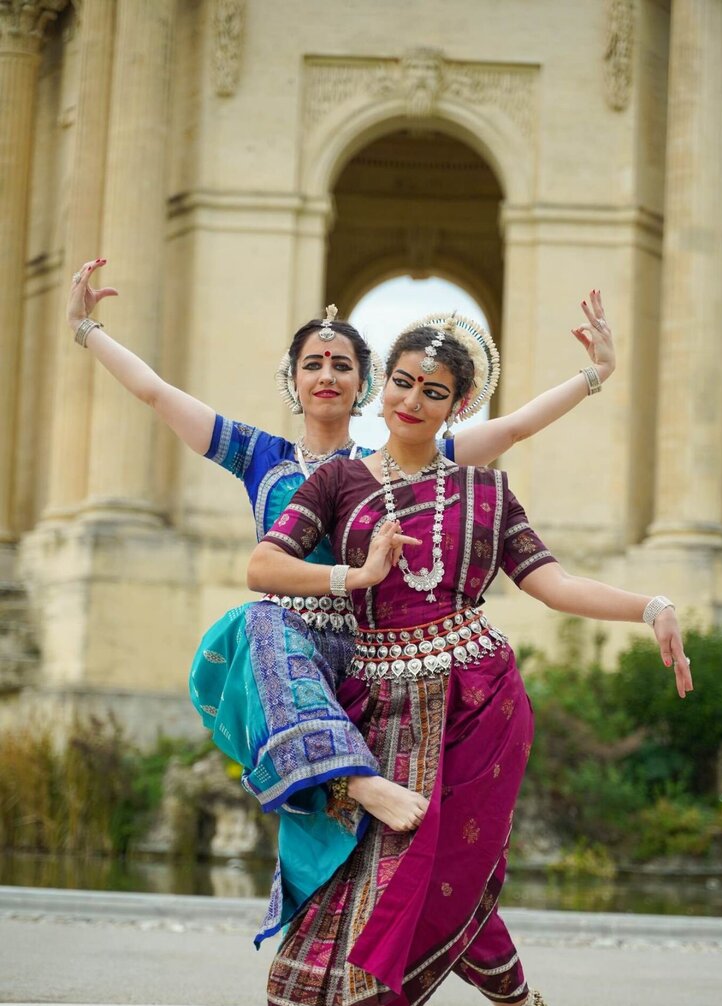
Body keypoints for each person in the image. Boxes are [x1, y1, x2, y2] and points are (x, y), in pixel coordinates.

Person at [246, 311, 692, 1006]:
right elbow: (262, 567)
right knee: (409, 867)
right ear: (382, 386)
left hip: (479, 698)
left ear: (459, 406)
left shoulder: (485, 491)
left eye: (435, 391)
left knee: (437, 864)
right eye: (402, 382)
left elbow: (551, 584)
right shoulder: (337, 480)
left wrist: (649, 605)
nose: (412, 399)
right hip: (378, 696)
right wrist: (357, 574)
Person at [66, 258, 616, 843]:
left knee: (366, 846)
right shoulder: (258, 457)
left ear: (365, 384)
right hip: (287, 650)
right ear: (293, 380)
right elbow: (155, 394)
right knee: (261, 625)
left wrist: (597, 373)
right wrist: (85, 329)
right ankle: (348, 788)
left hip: (364, 649)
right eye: (313, 364)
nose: (327, 374)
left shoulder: (392, 463)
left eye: (342, 365)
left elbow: (513, 430)